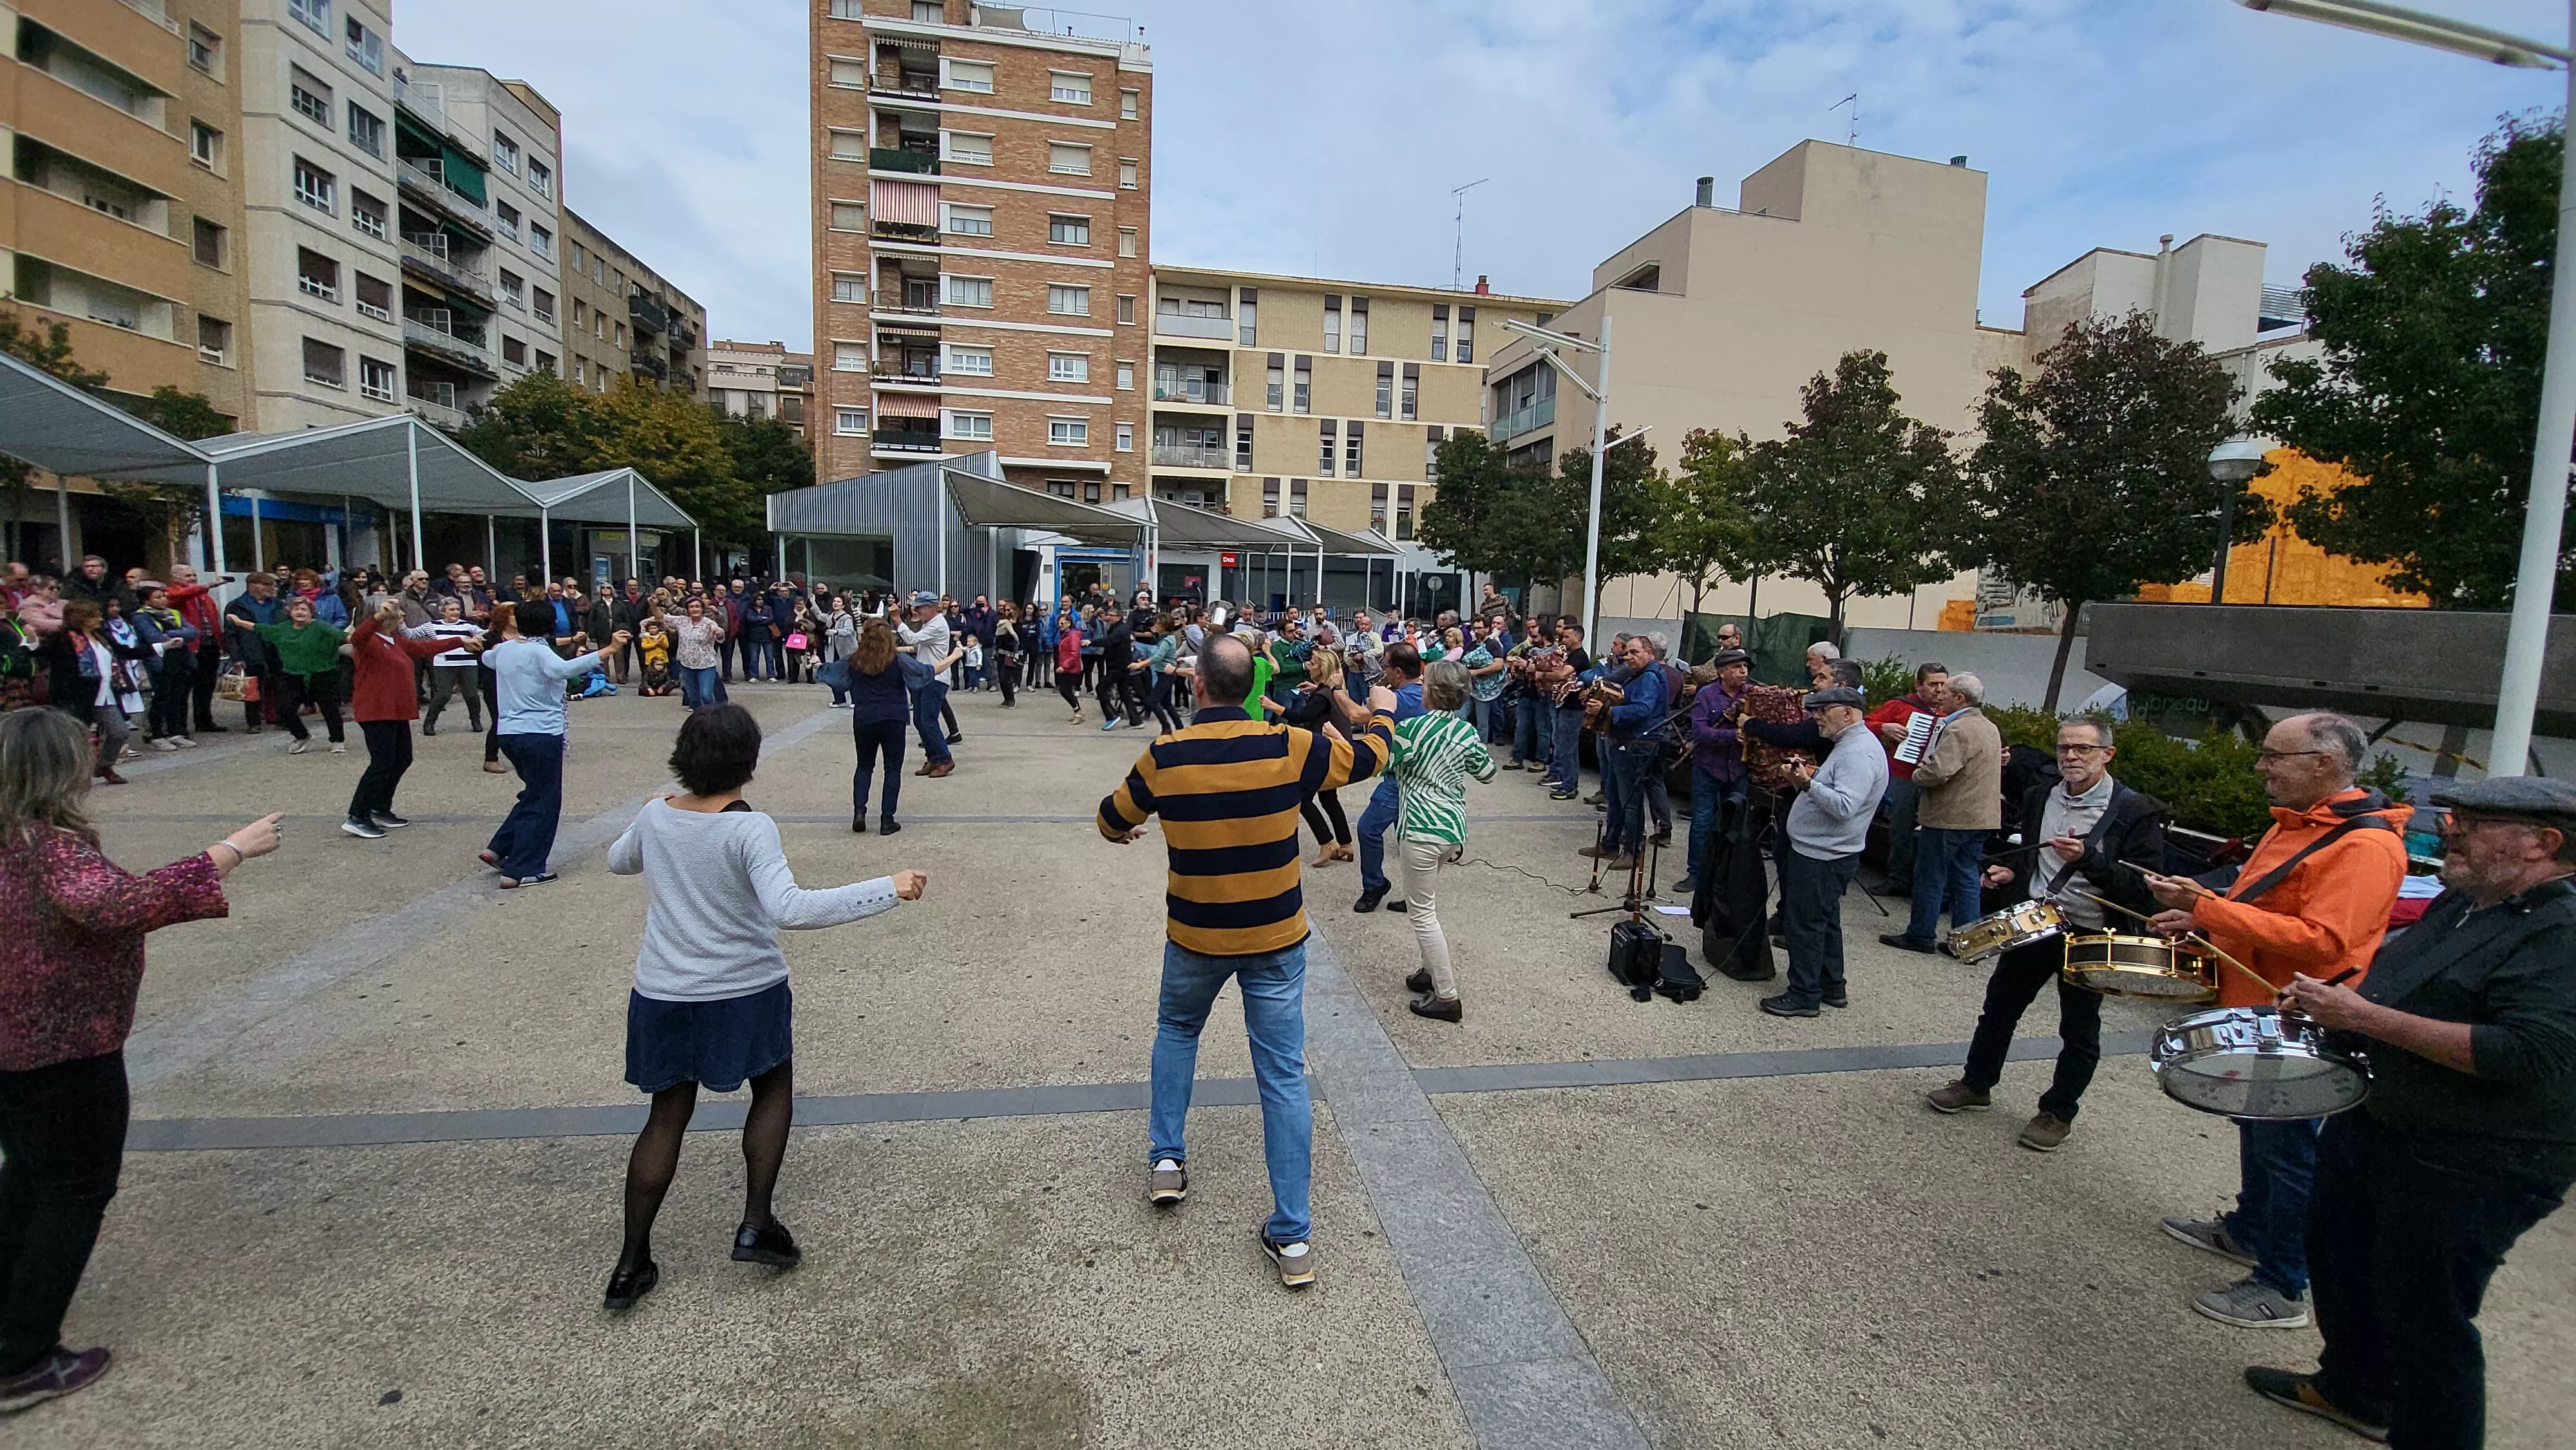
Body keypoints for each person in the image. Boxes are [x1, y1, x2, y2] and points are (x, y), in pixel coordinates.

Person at [2244, 775, 2576, 1448]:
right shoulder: (2463, 901)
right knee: (2340, 1260)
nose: (2451, 832)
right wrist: (2330, 1003)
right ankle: (2354, 1389)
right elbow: (2399, 983)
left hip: (2478, 1156)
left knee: (2425, 1316)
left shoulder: (2561, 931)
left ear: (2543, 843)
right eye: (2455, 818)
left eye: (2474, 824)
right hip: (2382, 1117)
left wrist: (2365, 1018)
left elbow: (2526, 1052)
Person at [600, 704, 927, 1312]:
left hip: (664, 990)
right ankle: (756, 1223)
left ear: (683, 756)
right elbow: (789, 908)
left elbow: (619, 859)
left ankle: (631, 1261)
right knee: (772, 1089)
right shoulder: (749, 828)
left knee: (666, 1116)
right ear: (747, 762)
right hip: (743, 989)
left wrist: (653, 809)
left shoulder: (656, 815)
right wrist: (887, 888)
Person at [0, 709, 279, 1411]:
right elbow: (118, 905)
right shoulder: (48, 848)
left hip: (15, 1044)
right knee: (74, 1189)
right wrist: (227, 851)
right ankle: (22, 1357)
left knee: (28, 1175)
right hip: (63, 1046)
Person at [1097, 634, 1395, 1288]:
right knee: (1282, 1074)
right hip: (1274, 935)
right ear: (1252, 684)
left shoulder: (1165, 753)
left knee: (1178, 1031)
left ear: (1198, 685)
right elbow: (1370, 758)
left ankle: (1167, 1160)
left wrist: (1126, 830)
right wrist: (1382, 712)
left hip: (1196, 933)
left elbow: (1111, 818)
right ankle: (1293, 1235)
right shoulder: (1288, 745)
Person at [2144, 711, 2409, 1332]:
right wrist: (2203, 918)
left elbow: (2325, 941)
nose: (2262, 767)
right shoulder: (2297, 823)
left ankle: (2285, 1283)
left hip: (2302, 1018)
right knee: (2258, 1125)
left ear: (2323, 764)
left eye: (2273, 756)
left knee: (2290, 1153)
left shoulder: (2366, 846)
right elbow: (2262, 906)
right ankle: (2249, 1229)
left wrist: (2210, 909)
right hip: (2257, 1008)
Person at [1921, 715, 2167, 1151]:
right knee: (1999, 1008)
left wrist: (2088, 860)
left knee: (2079, 1029)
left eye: (2083, 749)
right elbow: (2033, 859)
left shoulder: (2133, 811)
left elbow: (2143, 890)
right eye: (2064, 747)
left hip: (2091, 932)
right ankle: (1976, 1084)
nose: (2071, 756)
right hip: (2037, 920)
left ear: (2108, 754)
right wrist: (2010, 873)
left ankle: (2058, 1112)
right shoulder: (2041, 796)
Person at [478, 603, 630, 888]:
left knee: (534, 793)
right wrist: (608, 650)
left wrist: (488, 645)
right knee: (544, 802)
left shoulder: (505, 649)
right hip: (540, 732)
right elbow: (564, 669)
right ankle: (523, 868)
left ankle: (501, 846)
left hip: (508, 733)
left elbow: (487, 658)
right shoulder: (539, 651)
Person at [1759, 686, 1888, 1018]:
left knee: (1804, 925)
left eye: (1823, 710)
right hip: (1824, 850)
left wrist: (1807, 783)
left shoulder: (1858, 753)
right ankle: (1832, 986)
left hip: (1823, 855)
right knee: (1825, 921)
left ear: (1848, 712)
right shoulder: (1850, 745)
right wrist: (1810, 777)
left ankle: (1804, 994)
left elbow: (1845, 806)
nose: (1816, 717)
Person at [1388, 659, 1498, 1023]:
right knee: (1427, 903)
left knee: (1422, 913)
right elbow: (1487, 772)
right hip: (1450, 828)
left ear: (1431, 692)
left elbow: (1383, 765)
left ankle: (1447, 995)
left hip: (1420, 828)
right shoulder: (1465, 732)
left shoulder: (1410, 729)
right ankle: (1428, 971)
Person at [1880, 672, 2003, 955]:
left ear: (1960, 698)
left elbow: (1939, 772)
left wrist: (1918, 774)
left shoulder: (1959, 729)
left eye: (1945, 692)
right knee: (1966, 876)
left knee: (1931, 876)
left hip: (1950, 816)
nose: (1940, 696)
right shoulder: (1989, 727)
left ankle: (1920, 935)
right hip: (1981, 817)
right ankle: (1966, 942)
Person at [342, 599, 453, 840]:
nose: (402, 614)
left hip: (396, 710)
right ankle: (357, 815)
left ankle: (380, 807)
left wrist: (460, 642)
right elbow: (358, 637)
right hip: (376, 710)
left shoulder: (394, 640)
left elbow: (424, 648)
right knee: (381, 763)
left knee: (402, 759)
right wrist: (377, 617)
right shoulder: (368, 640)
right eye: (396, 611)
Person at [1578, 635, 1671, 873]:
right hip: (1623, 742)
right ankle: (1610, 843)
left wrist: (1607, 710)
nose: (1628, 657)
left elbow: (1642, 710)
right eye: (1627, 653)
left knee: (1630, 800)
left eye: (1634, 652)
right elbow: (1612, 685)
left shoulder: (1650, 677)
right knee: (1616, 797)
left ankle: (1633, 852)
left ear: (1649, 653)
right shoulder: (1636, 673)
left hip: (1638, 744)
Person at [1350, 641, 1426, 914]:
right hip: (1422, 777)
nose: (1383, 671)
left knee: (1369, 829)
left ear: (1397, 671)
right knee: (1411, 839)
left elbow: (1357, 714)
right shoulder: (1429, 693)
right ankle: (1415, 894)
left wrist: (1335, 689)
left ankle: (1375, 886)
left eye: (1385, 666)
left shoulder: (1398, 700)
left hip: (1401, 779)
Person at [1865, 663, 1951, 897]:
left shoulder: (1951, 713)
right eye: (1933, 684)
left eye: (1943, 684)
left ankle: (1925, 883)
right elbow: (1863, 724)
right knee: (1900, 829)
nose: (1939, 690)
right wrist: (1884, 727)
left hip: (1935, 780)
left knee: (1932, 832)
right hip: (1903, 776)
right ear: (1918, 685)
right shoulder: (1900, 706)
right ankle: (1898, 878)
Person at [1679, 647, 1752, 895]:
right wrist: (1733, 736)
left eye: (1745, 667)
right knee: (1702, 822)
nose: (1743, 671)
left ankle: (1727, 874)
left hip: (1738, 770)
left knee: (1735, 824)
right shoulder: (1706, 695)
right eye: (1737, 667)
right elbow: (1700, 732)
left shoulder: (1752, 694)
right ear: (1722, 672)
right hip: (1708, 768)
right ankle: (1696, 874)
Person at [842, 617, 911, 835]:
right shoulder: (898, 660)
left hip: (864, 717)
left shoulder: (854, 660)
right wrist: (953, 657)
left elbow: (832, 675)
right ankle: (887, 820)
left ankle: (859, 812)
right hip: (893, 717)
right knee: (892, 769)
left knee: (864, 766)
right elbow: (924, 674)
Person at [256, 598, 348, 756]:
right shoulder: (283, 628)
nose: (299, 612)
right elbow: (261, 628)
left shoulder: (321, 626)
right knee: (285, 708)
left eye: (304, 609)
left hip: (323, 673)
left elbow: (342, 636)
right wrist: (238, 621)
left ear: (311, 612)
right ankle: (301, 736)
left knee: (330, 709)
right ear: (290, 612)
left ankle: (337, 740)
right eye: (296, 609)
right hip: (293, 675)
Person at [220, 573, 285, 735]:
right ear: (255, 585)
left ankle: (282, 718)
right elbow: (230, 634)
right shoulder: (236, 606)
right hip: (251, 650)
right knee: (252, 687)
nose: (273, 589)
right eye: (269, 585)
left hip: (275, 649)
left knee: (280, 685)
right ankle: (253, 722)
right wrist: (236, 657)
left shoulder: (277, 604)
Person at [420, 598, 486, 736]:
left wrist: (479, 638)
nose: (456, 612)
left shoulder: (467, 625)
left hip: (468, 663)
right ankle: (429, 722)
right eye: (452, 609)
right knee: (443, 695)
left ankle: (476, 721)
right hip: (444, 664)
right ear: (443, 611)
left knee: (472, 694)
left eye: (458, 609)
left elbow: (484, 634)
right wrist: (401, 624)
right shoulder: (432, 626)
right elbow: (410, 634)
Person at [660, 597, 726, 711]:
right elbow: (661, 617)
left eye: (697, 607)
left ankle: (713, 715)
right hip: (686, 664)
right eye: (691, 607)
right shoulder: (682, 621)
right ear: (688, 610)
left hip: (706, 665)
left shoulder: (708, 623)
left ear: (702, 609)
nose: (695, 609)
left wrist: (718, 632)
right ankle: (698, 716)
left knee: (706, 695)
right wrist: (653, 605)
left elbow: (719, 632)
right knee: (693, 697)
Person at [1053, 607, 1086, 723]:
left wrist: (1064, 666)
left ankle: (1078, 712)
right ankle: (1078, 712)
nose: (1060, 625)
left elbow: (1074, 654)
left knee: (1065, 690)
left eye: (1063, 623)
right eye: (1059, 623)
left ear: (1069, 623)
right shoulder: (1065, 635)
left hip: (1071, 668)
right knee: (1066, 690)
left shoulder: (1073, 636)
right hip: (1067, 667)